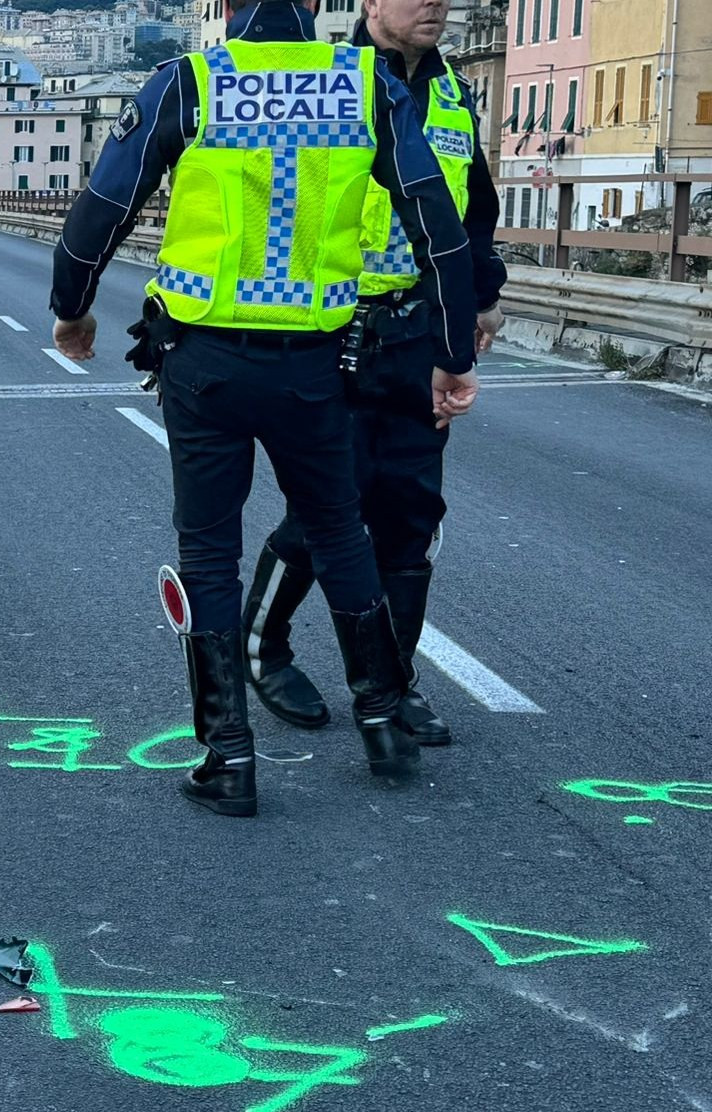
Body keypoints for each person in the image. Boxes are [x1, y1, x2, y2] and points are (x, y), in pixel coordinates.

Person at [49, 0, 480, 816]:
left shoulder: (193, 79)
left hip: (205, 360)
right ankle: (383, 715)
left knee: (211, 553)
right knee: (338, 528)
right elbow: (439, 226)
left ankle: (229, 757)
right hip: (316, 360)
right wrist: (453, 355)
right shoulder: (365, 83)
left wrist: (72, 307)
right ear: (315, 9)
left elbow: (103, 209)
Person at [243, 0, 506, 748]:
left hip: (420, 333)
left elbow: (473, 208)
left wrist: (480, 300)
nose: (437, 5)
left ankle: (393, 685)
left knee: (411, 515)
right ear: (368, 4)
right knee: (333, 503)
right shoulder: (330, 82)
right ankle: (262, 641)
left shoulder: (452, 91)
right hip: (334, 326)